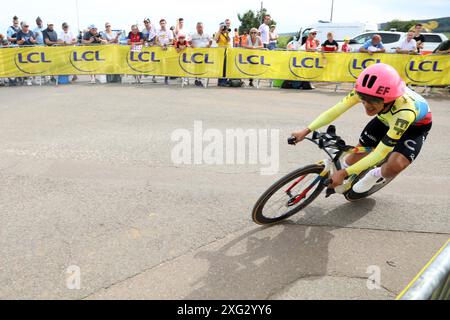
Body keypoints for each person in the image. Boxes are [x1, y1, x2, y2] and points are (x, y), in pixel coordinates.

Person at [291, 63, 432, 193]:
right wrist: (305, 131)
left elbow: (381, 152)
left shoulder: (405, 113)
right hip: (385, 119)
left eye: (373, 101)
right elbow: (334, 111)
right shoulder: (365, 92)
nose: (367, 105)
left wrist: (343, 173)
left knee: (395, 166)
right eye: (363, 100)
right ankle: (346, 176)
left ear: (389, 99)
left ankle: (374, 174)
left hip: (415, 127)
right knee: (355, 157)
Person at [190, 22, 213, 87]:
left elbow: (211, 40)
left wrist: (209, 45)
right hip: (196, 53)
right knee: (197, 67)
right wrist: (191, 45)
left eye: (201, 27)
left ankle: (200, 79)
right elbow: (188, 41)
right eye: (198, 27)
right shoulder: (193, 35)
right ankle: (197, 79)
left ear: (203, 27)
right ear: (196, 28)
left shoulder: (206, 34)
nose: (200, 28)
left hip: (205, 52)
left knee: (203, 66)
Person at [155, 19, 174, 85]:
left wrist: (165, 45)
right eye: (161, 23)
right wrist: (161, 45)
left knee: (167, 64)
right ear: (160, 24)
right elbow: (156, 41)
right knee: (159, 63)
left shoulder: (169, 31)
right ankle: (155, 77)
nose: (162, 24)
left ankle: (166, 79)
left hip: (167, 49)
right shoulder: (158, 31)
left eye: (163, 23)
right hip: (160, 49)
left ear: (166, 23)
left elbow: (172, 41)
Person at [215, 22, 231, 87]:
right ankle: (220, 81)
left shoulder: (227, 33)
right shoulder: (218, 33)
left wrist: (227, 33)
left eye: (224, 27)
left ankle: (224, 81)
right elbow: (216, 40)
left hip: (227, 51)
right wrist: (220, 31)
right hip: (220, 51)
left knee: (226, 67)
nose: (224, 28)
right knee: (221, 67)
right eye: (223, 27)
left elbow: (229, 40)